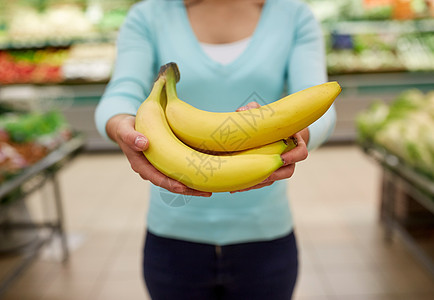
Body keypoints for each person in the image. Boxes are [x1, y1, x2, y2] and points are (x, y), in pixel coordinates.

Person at [95, 0, 336, 299]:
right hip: (173, 238)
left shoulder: (293, 14)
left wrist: (300, 132)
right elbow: (121, 93)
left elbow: (317, 102)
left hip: (264, 234)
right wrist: (120, 124)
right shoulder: (149, 15)